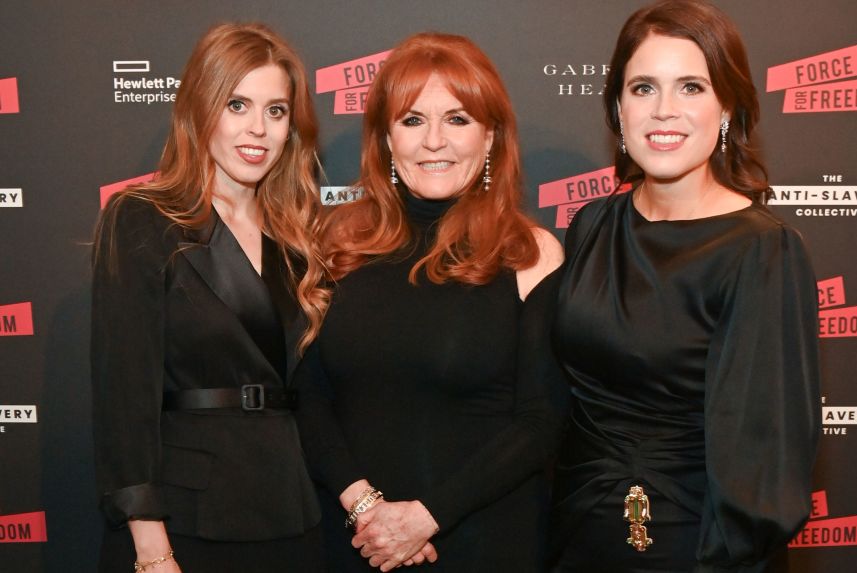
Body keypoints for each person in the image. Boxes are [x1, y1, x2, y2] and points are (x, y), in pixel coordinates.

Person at [550, 1, 820, 572]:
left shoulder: (761, 250)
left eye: (691, 87)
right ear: (618, 108)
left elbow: (764, 465)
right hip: (574, 530)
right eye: (643, 88)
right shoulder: (591, 226)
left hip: (692, 544)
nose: (664, 111)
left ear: (726, 106)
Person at [295, 32, 568, 572]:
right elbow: (307, 395)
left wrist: (427, 516)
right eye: (413, 120)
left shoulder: (529, 253)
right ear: (387, 140)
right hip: (357, 542)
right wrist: (367, 509)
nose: (434, 141)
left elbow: (541, 421)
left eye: (458, 119)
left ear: (490, 137)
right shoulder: (339, 245)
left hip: (484, 541)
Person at [91, 23, 328, 572]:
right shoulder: (144, 219)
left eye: (276, 110)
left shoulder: (297, 237)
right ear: (201, 109)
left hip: (291, 514)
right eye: (238, 104)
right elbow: (123, 396)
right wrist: (151, 552)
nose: (259, 129)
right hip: (185, 522)